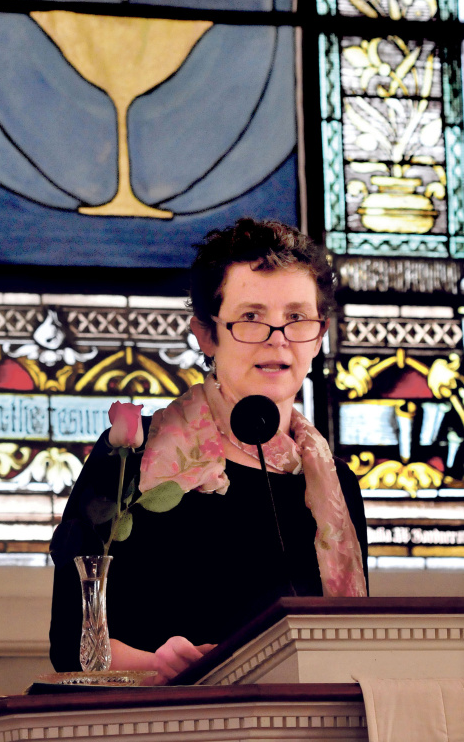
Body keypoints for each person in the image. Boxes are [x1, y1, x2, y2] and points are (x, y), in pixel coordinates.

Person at [49, 218, 368, 680]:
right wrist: (158, 663)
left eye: (297, 318)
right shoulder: (129, 456)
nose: (277, 338)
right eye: (252, 317)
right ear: (206, 333)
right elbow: (69, 642)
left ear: (318, 336)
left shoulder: (338, 484)